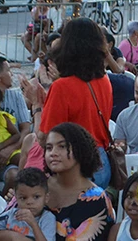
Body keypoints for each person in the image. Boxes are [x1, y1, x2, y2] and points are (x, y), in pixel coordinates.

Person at [21, 18, 115, 189]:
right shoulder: (104, 80)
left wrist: (37, 106)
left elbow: (44, 138)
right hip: (102, 165)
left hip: (74, 169)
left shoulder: (62, 87)